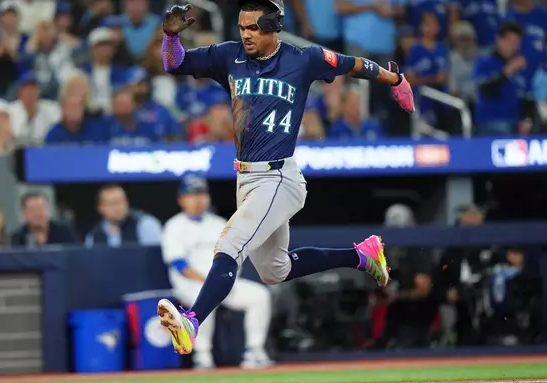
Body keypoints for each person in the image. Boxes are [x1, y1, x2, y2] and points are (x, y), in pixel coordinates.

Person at [156, 0, 414, 356]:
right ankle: (362, 256)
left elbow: (351, 64)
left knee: (230, 246)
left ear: (273, 27)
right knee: (275, 270)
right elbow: (175, 63)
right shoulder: (228, 56)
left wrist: (395, 79)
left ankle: (192, 320)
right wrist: (170, 35)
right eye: (243, 27)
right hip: (247, 179)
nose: (246, 34)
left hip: (279, 177)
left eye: (254, 28)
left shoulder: (302, 58)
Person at [162, 175, 273, 369]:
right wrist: (210, 282)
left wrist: (223, 280)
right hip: (191, 285)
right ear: (181, 200)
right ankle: (202, 355)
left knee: (259, 295)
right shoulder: (174, 226)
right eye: (191, 195)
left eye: (201, 194)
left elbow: (235, 257)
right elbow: (179, 265)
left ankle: (254, 351)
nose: (197, 199)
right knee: (205, 296)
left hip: (224, 283)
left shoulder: (220, 223)